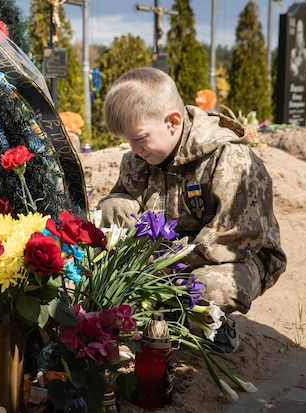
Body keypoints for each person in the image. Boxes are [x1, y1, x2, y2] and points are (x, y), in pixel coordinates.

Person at [97, 67, 287, 352]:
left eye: (139, 138)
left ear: (173, 121)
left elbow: (236, 236)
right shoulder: (139, 158)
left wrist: (167, 265)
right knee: (111, 213)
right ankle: (164, 317)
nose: (133, 149)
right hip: (166, 257)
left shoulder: (228, 158)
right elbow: (122, 201)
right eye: (127, 141)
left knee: (203, 291)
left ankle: (215, 327)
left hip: (237, 258)